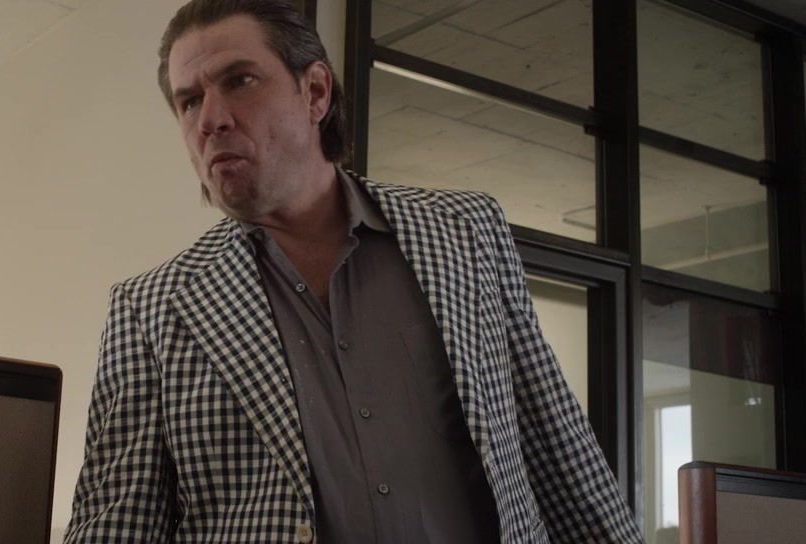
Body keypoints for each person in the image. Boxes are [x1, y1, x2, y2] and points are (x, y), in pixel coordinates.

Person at [65, 0, 643, 542]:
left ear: (315, 92)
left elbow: (557, 446)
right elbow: (118, 524)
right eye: (189, 101)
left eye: (239, 81)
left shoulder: (466, 231)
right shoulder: (151, 308)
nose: (210, 119)